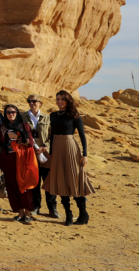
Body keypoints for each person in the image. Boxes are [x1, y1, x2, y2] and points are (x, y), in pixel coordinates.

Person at [44, 90, 94, 226]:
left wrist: (85, 155)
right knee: (61, 181)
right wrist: (51, 153)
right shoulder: (52, 115)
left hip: (71, 147)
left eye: (62, 99)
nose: (59, 101)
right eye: (57, 99)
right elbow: (52, 134)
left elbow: (83, 135)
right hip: (57, 148)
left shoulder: (74, 115)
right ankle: (68, 214)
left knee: (74, 180)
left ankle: (83, 213)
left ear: (68, 100)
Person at [0, 104, 35, 224]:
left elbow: (30, 142)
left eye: (13, 112)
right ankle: (20, 213)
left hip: (22, 159)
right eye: (8, 112)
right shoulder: (2, 127)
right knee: (12, 186)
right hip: (8, 159)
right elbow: (1, 144)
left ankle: (28, 213)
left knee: (24, 185)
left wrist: (17, 137)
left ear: (17, 113)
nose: (11, 114)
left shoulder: (24, 126)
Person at [25, 94, 55, 218]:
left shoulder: (48, 118)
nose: (32, 103)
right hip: (30, 154)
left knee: (49, 181)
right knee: (34, 182)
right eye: (29, 101)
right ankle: (36, 207)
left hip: (46, 154)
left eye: (34, 101)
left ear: (40, 103)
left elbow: (51, 135)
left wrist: (46, 146)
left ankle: (52, 208)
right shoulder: (23, 117)